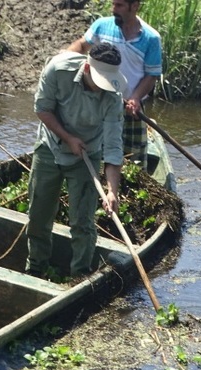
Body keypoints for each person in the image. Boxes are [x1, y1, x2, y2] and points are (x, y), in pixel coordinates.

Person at [26, 43, 127, 278]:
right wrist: (68, 138)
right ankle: (35, 268)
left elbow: (113, 147)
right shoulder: (57, 69)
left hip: (87, 154)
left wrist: (112, 191)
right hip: (50, 146)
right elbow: (42, 109)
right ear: (87, 69)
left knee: (82, 222)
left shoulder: (113, 97)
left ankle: (79, 275)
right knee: (39, 214)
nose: (102, 89)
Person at [67, 0, 162, 169]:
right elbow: (82, 45)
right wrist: (64, 58)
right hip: (98, 102)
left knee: (135, 160)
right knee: (93, 150)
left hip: (129, 107)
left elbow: (151, 75)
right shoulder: (102, 26)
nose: (113, 9)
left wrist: (136, 98)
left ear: (134, 6)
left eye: (119, 5)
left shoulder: (150, 38)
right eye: (113, 4)